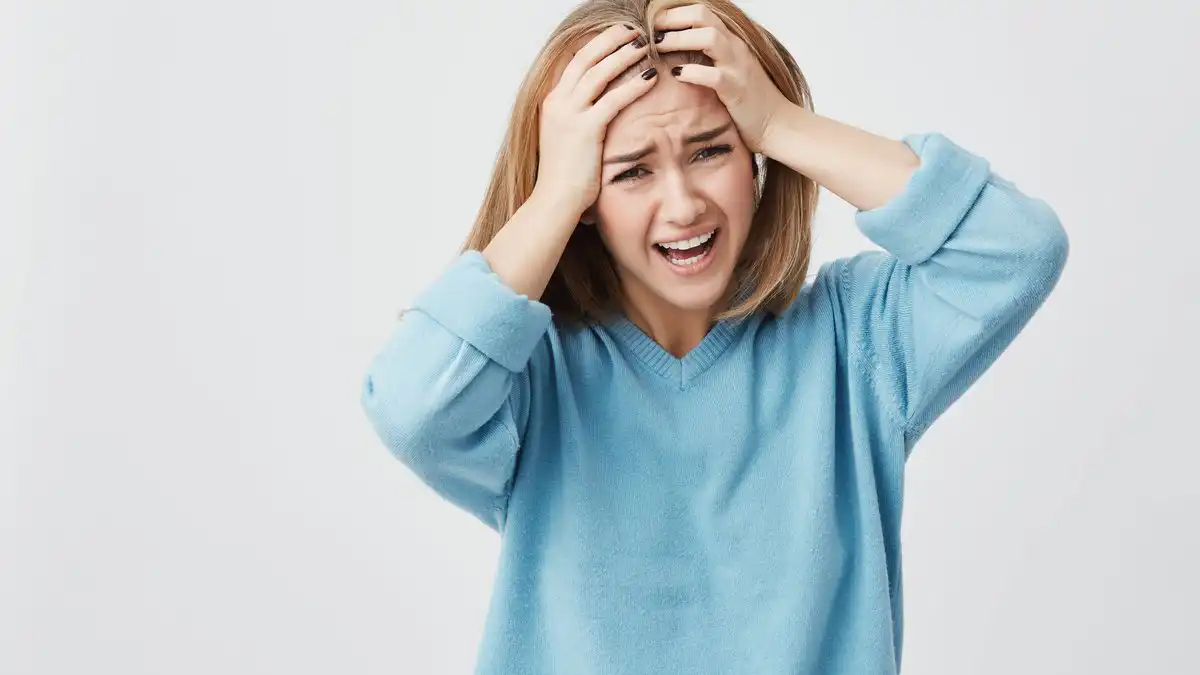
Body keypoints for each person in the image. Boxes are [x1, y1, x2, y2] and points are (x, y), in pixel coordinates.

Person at [359, 0, 1069, 672]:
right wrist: (554, 192)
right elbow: (412, 407)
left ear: (753, 155)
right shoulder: (529, 379)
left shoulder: (855, 344)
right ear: (585, 200)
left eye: (710, 151)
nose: (683, 205)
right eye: (631, 171)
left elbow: (1015, 248)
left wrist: (781, 122)